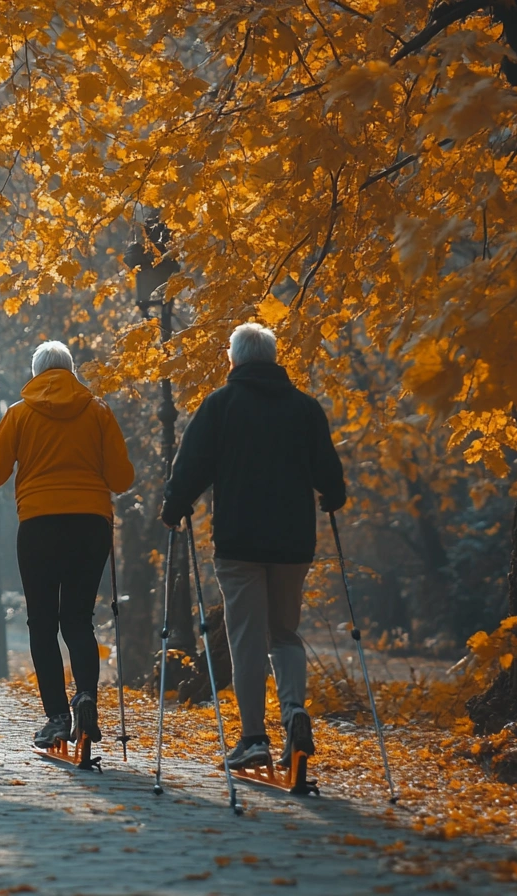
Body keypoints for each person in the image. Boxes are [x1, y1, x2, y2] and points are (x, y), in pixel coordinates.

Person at [159, 322, 346, 771]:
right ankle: (295, 711)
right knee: (285, 634)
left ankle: (254, 738)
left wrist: (175, 505)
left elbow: (192, 465)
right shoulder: (305, 408)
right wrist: (332, 496)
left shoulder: (220, 405)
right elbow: (328, 472)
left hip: (239, 541)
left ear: (234, 359)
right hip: (293, 541)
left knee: (246, 640)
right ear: (273, 358)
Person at [0, 341, 135, 749]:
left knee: (43, 624)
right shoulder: (98, 411)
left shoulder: (18, 413)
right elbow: (121, 479)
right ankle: (85, 695)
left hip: (39, 526)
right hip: (90, 524)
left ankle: (57, 717)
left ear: (35, 374)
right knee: (79, 620)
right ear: (71, 371)